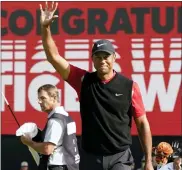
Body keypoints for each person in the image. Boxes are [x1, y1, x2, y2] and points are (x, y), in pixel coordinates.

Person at [39, 2, 153, 170]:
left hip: (120, 157)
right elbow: (53, 57)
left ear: (114, 57)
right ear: (92, 59)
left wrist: (149, 161)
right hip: (91, 157)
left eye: (106, 56)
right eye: (98, 56)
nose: (102, 60)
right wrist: (45, 28)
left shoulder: (129, 86)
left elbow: (142, 123)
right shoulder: (84, 81)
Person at [20, 84, 80, 170]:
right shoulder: (66, 117)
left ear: (54, 98)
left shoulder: (55, 121)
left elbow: (47, 149)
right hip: (70, 166)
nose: (39, 102)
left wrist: (29, 142)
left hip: (57, 166)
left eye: (43, 98)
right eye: (39, 99)